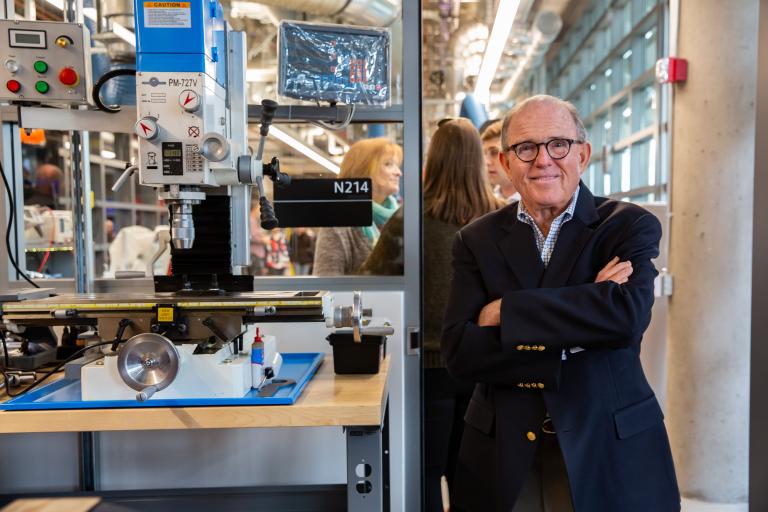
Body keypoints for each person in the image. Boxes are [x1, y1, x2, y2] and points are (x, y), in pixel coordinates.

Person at [441, 95, 680, 512]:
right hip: (504, 452)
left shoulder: (627, 226)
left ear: (583, 154)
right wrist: (585, 313)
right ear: (505, 161)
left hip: (608, 445)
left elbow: (624, 321)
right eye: (526, 148)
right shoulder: (475, 240)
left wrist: (505, 313)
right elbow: (460, 352)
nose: (543, 160)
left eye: (559, 144)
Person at [360, 119, 501, 511]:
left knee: (424, 472)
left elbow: (372, 278)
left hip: (427, 367)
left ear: (432, 160)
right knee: (472, 473)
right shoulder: (501, 220)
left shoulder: (410, 221)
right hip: (485, 367)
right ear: (476, 161)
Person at [312, 138, 402, 276]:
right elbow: (327, 283)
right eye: (388, 164)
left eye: (397, 165)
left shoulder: (400, 219)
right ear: (363, 170)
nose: (398, 173)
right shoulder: (339, 224)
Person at [481, 120, 520, 204]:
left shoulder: (535, 202)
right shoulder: (485, 202)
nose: (487, 162)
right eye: (484, 153)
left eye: (494, 152)